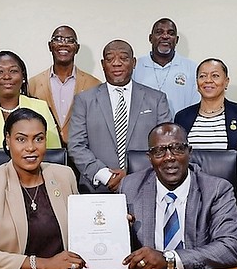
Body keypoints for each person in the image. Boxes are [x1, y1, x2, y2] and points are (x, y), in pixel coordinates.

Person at [0, 108, 85, 269]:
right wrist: (43, 265)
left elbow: (81, 231)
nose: (31, 147)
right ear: (8, 140)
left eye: (38, 139)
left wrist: (111, 222)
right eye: (21, 139)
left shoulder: (64, 175)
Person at [120, 123, 237, 269]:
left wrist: (169, 259)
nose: (169, 157)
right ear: (150, 158)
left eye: (177, 148)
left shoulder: (216, 190)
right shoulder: (130, 187)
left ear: (189, 152)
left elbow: (232, 245)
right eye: (159, 151)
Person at [174, 58, 237, 254]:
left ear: (226, 82)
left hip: (231, 202)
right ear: (196, 83)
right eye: (202, 76)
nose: (208, 81)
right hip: (189, 201)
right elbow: (176, 160)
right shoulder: (182, 117)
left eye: (215, 76)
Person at [68, 39, 171, 193]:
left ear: (134, 62)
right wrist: (105, 175)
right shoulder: (84, 100)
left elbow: (165, 145)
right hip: (97, 188)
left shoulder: (156, 99)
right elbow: (76, 145)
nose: (117, 63)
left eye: (123, 58)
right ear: (103, 64)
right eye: (110, 59)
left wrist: (131, 175)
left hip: (146, 186)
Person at [29, 25, 101, 146]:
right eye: (58, 39)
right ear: (50, 46)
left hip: (82, 152)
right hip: (46, 152)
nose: (64, 44)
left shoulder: (94, 84)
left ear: (77, 48)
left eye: (70, 40)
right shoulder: (33, 84)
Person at [132, 18, 199, 116]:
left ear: (176, 40)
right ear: (150, 38)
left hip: (180, 128)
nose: (165, 36)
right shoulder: (136, 66)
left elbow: (196, 106)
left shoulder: (191, 68)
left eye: (171, 33)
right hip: (144, 130)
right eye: (159, 32)